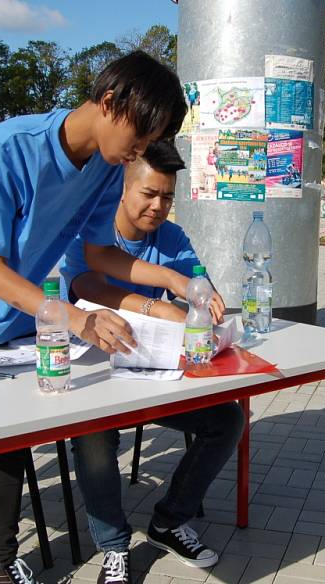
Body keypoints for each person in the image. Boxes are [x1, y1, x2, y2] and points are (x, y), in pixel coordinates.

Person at [0, 50, 188, 584]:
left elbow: (98, 256)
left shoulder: (106, 169)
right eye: (140, 136)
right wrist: (75, 319)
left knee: (10, 440)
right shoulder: (9, 148)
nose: (140, 150)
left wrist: (177, 282)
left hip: (18, 322)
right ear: (110, 102)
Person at [59, 141, 243, 583]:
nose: (159, 206)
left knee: (227, 420)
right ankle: (114, 547)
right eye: (149, 194)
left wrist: (203, 297)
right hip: (94, 376)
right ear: (121, 189)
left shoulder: (172, 237)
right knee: (93, 435)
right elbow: (86, 287)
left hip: (154, 373)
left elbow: (196, 285)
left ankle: (168, 520)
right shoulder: (88, 231)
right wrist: (155, 306)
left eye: (168, 196)